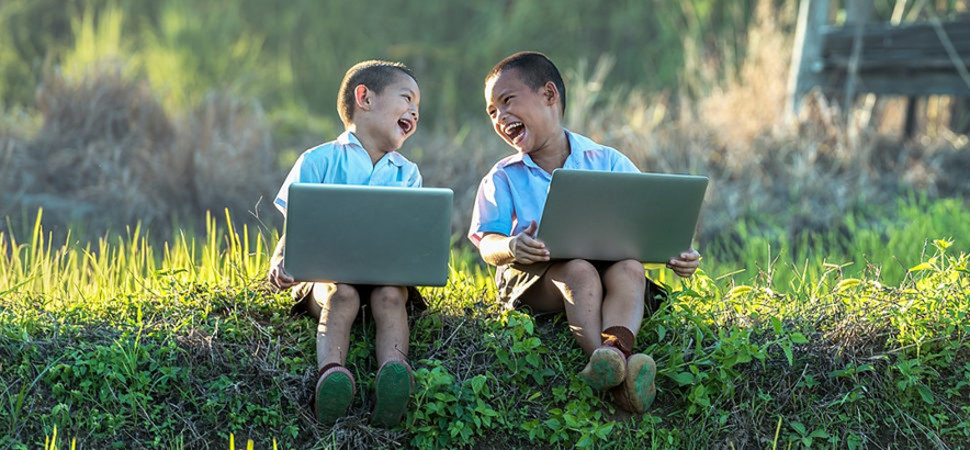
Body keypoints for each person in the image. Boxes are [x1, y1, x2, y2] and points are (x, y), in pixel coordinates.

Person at [468, 51, 701, 413]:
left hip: (605, 270)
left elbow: (649, 220)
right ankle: (607, 359)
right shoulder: (503, 176)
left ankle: (613, 356)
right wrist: (513, 246)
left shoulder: (606, 160)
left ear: (549, 95)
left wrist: (676, 254)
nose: (499, 117)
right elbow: (487, 243)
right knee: (579, 270)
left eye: (507, 101)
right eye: (492, 111)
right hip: (536, 280)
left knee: (631, 269)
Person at [267, 60, 422, 427]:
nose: (415, 111)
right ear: (364, 98)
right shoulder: (318, 160)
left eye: (418, 105)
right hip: (327, 275)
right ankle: (332, 376)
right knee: (344, 293)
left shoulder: (407, 173)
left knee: (390, 295)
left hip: (384, 274)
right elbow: (295, 228)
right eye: (406, 98)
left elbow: (408, 236)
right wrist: (280, 260)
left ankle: (394, 375)